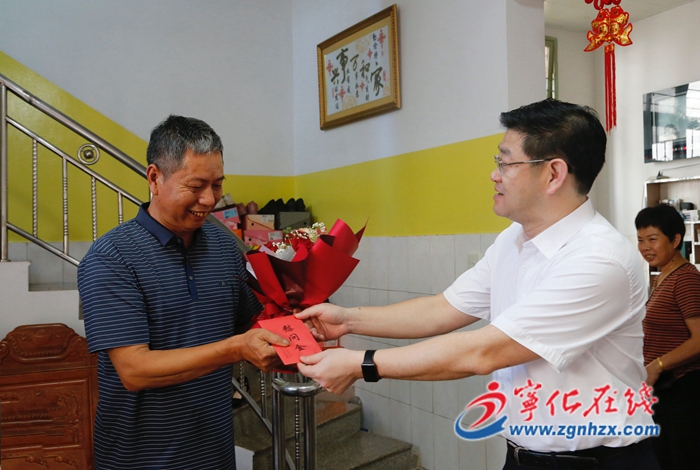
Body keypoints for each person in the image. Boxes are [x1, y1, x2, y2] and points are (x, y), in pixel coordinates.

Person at [297, 99, 660, 469]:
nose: (494, 174)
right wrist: (348, 320)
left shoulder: (599, 259)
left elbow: (482, 352)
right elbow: (443, 308)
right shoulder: (513, 240)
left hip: (599, 461)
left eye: (505, 162)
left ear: (553, 174)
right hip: (522, 456)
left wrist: (360, 364)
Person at [77, 115, 288, 470]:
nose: (209, 199)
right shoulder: (111, 258)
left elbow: (251, 322)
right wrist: (235, 349)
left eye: (217, 185)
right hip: (141, 459)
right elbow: (135, 370)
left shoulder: (224, 246)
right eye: (196, 186)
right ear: (154, 178)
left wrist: (296, 322)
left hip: (214, 453)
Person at [636, 203, 700, 469]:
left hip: (682, 390)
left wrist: (657, 365)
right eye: (640, 240)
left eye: (653, 239)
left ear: (675, 240)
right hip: (663, 389)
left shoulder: (685, 279)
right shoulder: (663, 277)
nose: (645, 247)